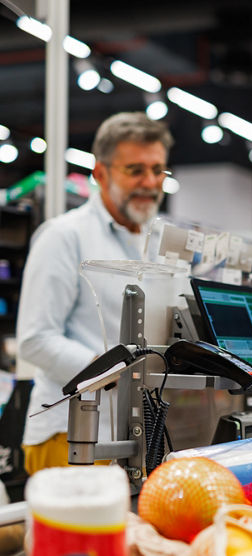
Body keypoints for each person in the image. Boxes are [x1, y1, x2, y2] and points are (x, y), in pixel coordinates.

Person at [17, 112, 174, 474]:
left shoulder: (157, 244)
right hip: (71, 436)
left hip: (139, 436)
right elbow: (35, 339)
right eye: (135, 170)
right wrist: (116, 371)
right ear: (100, 173)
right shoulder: (64, 236)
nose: (149, 182)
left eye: (158, 170)